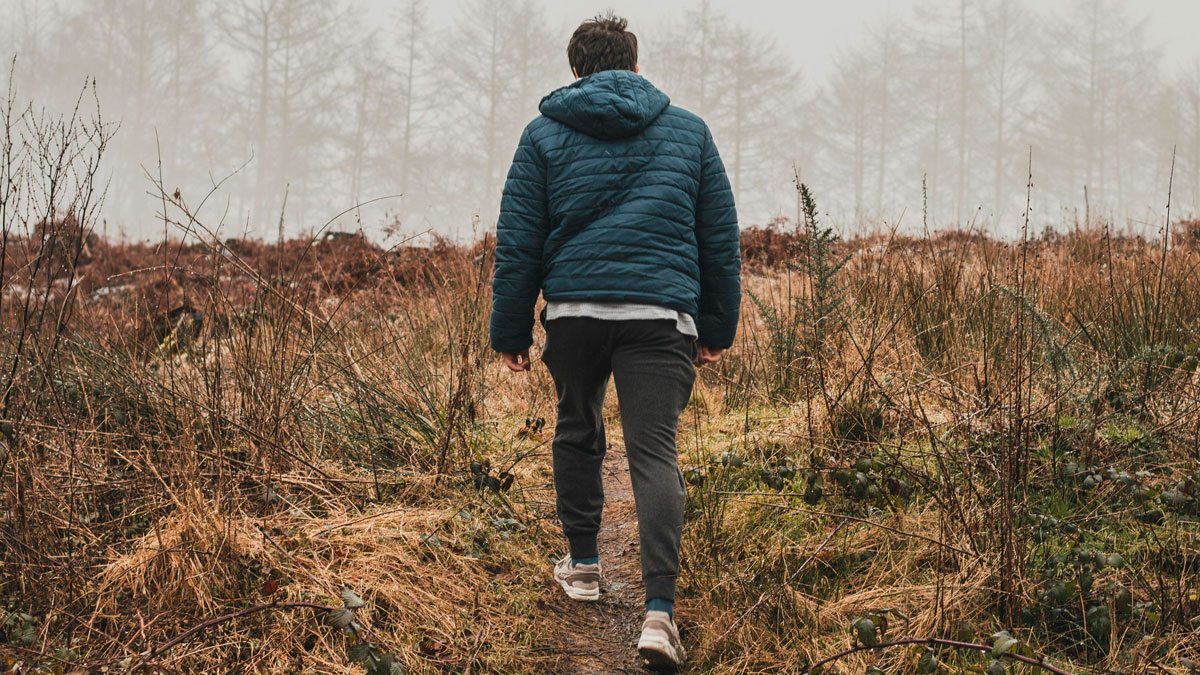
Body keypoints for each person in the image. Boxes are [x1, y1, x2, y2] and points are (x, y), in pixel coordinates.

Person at [489, 11, 740, 670]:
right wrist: (716, 326)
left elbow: (518, 239)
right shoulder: (689, 132)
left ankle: (584, 564)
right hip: (660, 316)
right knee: (654, 450)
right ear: (634, 64)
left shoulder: (542, 135)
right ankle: (659, 613)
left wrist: (511, 328)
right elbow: (718, 237)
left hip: (573, 313)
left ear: (575, 70)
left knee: (577, 424)